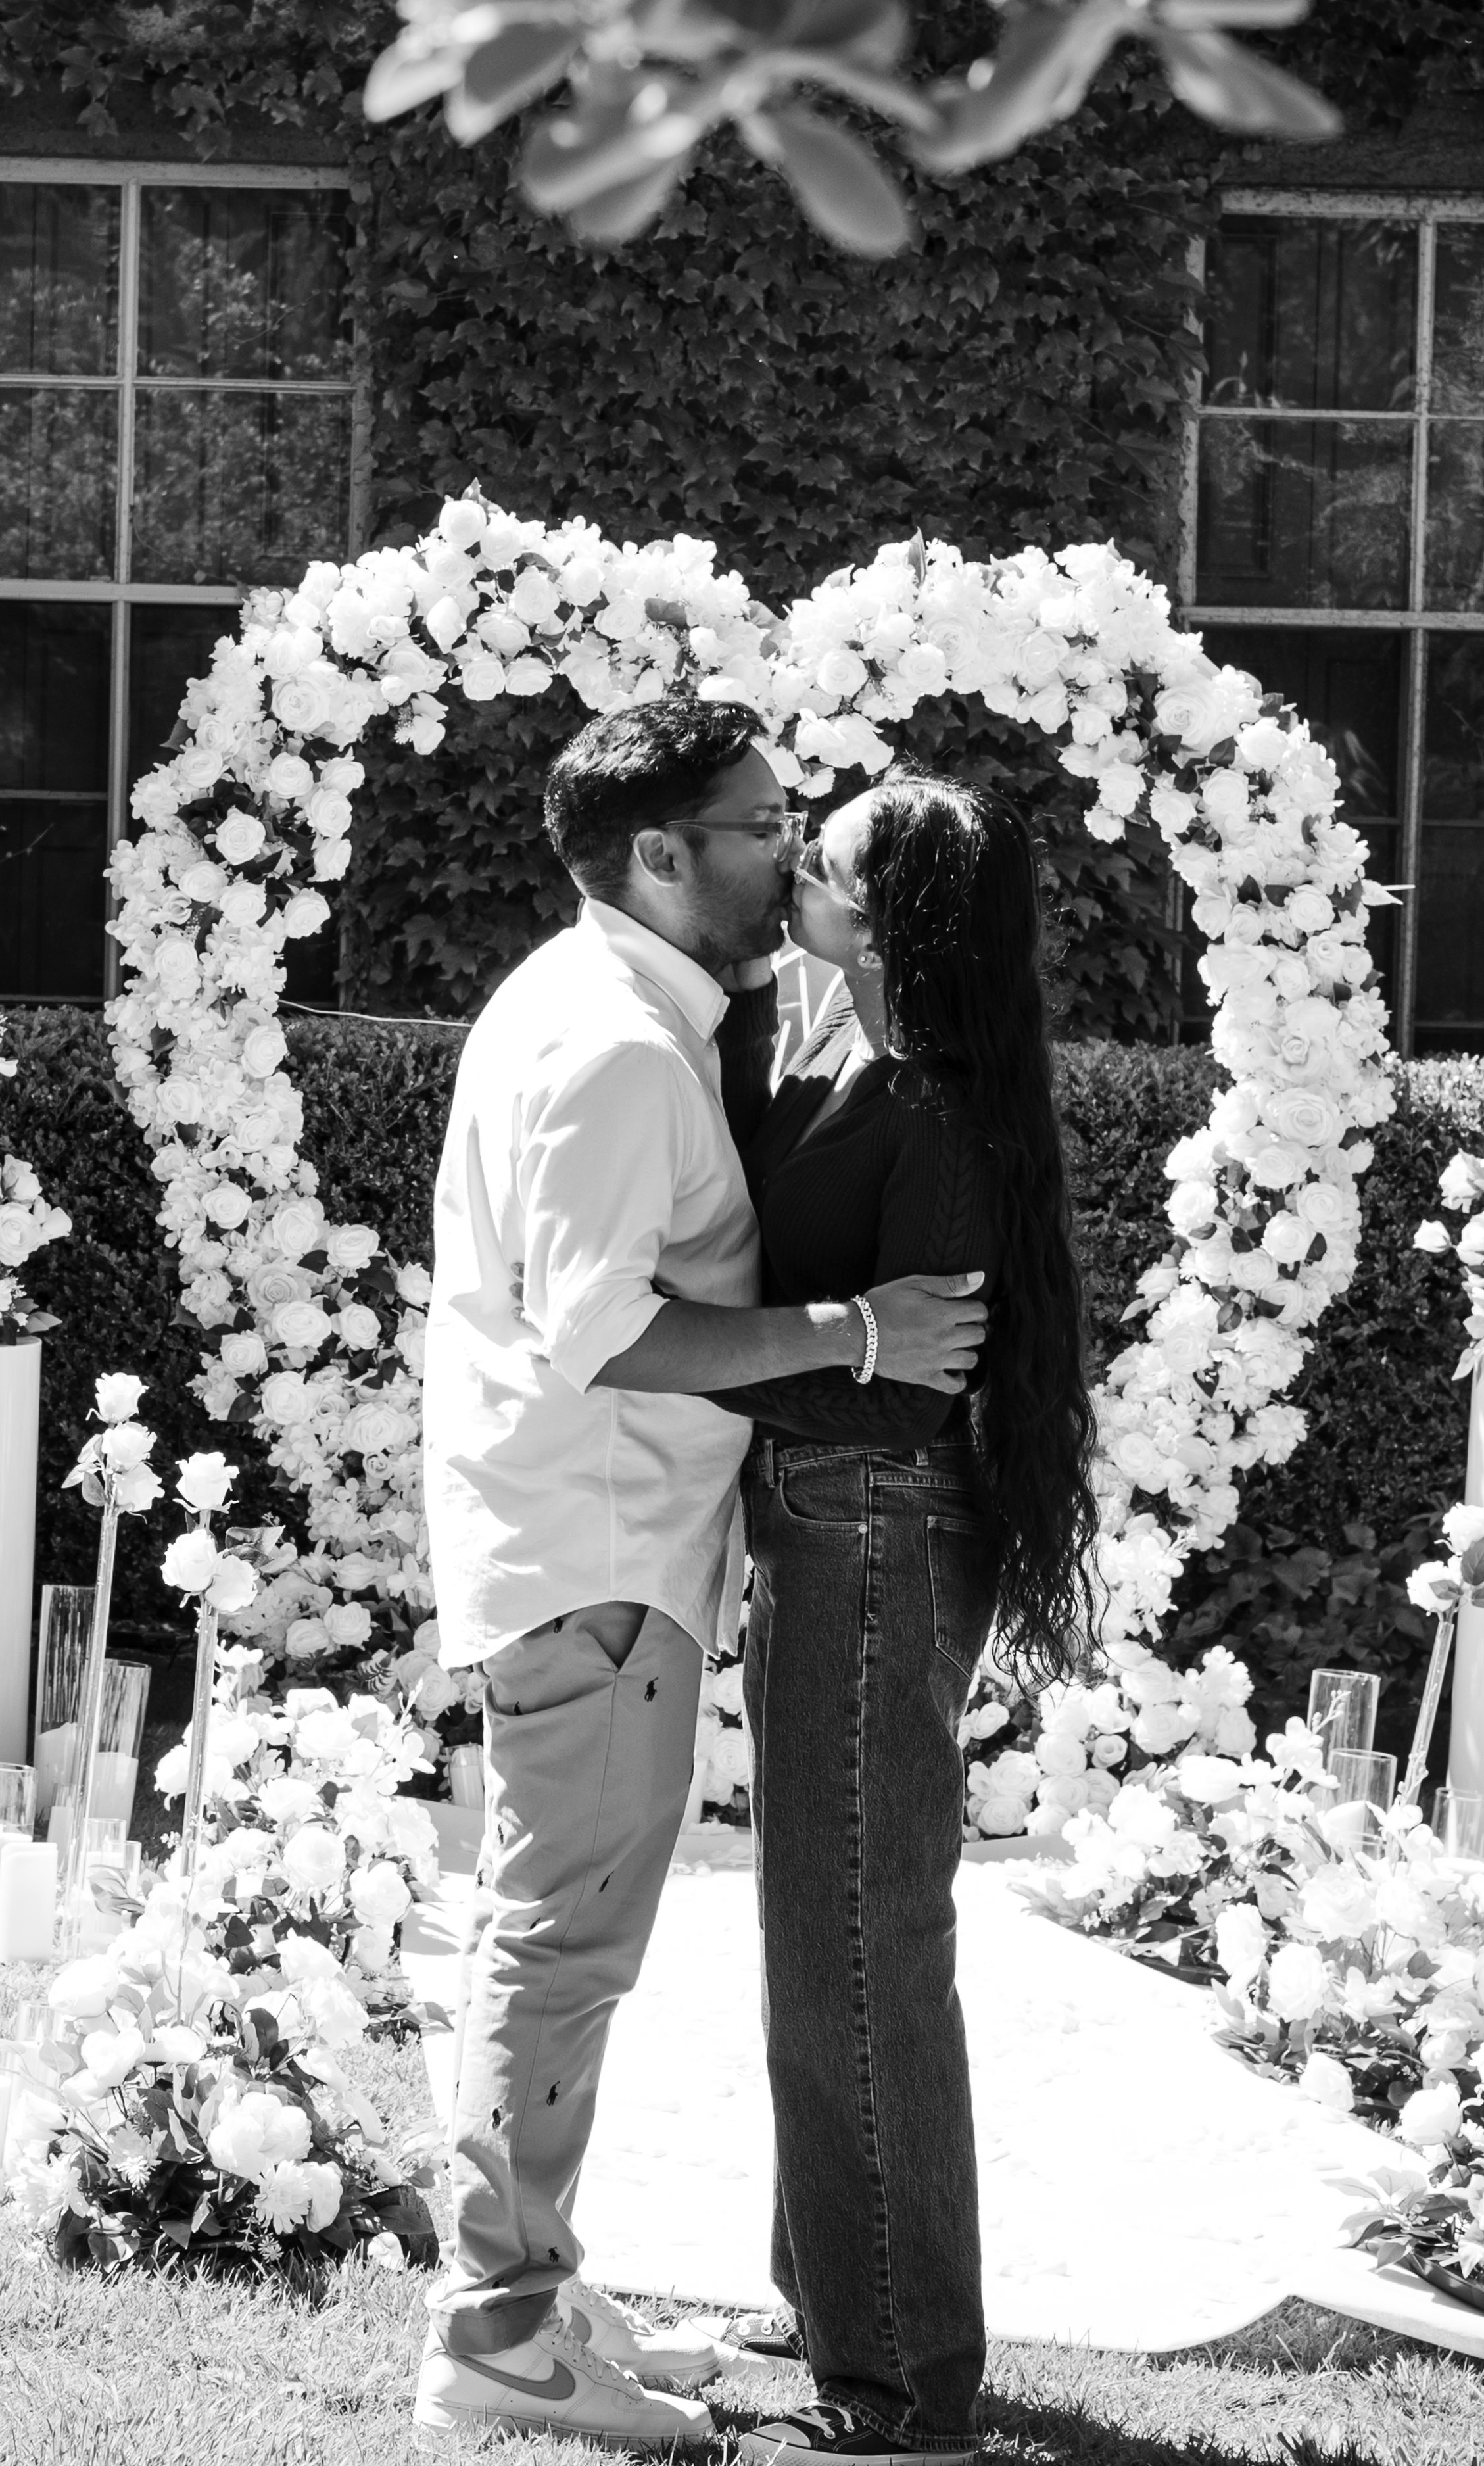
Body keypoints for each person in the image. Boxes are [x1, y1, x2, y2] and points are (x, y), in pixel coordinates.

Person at [414, 699, 988, 2451]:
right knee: (560, 1947)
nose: (787, 847)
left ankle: (534, 2283)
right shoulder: (614, 1047)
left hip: (598, 1546)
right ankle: (497, 2329)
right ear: (660, 855)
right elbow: (600, 1332)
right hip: (595, 1550)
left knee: (558, 1933)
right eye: (760, 825)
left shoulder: (607, 1007)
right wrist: (859, 1333)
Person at [700, 769, 1101, 2466]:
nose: (799, 865)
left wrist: (807, 1355)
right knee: (822, 1943)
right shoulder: (838, 1054)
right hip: (824, 1543)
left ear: (892, 914)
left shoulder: (932, 1113)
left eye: (833, 858)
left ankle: (905, 2390)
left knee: (860, 1955)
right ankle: (828, 2301)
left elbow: (901, 1394)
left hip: (863, 1538)